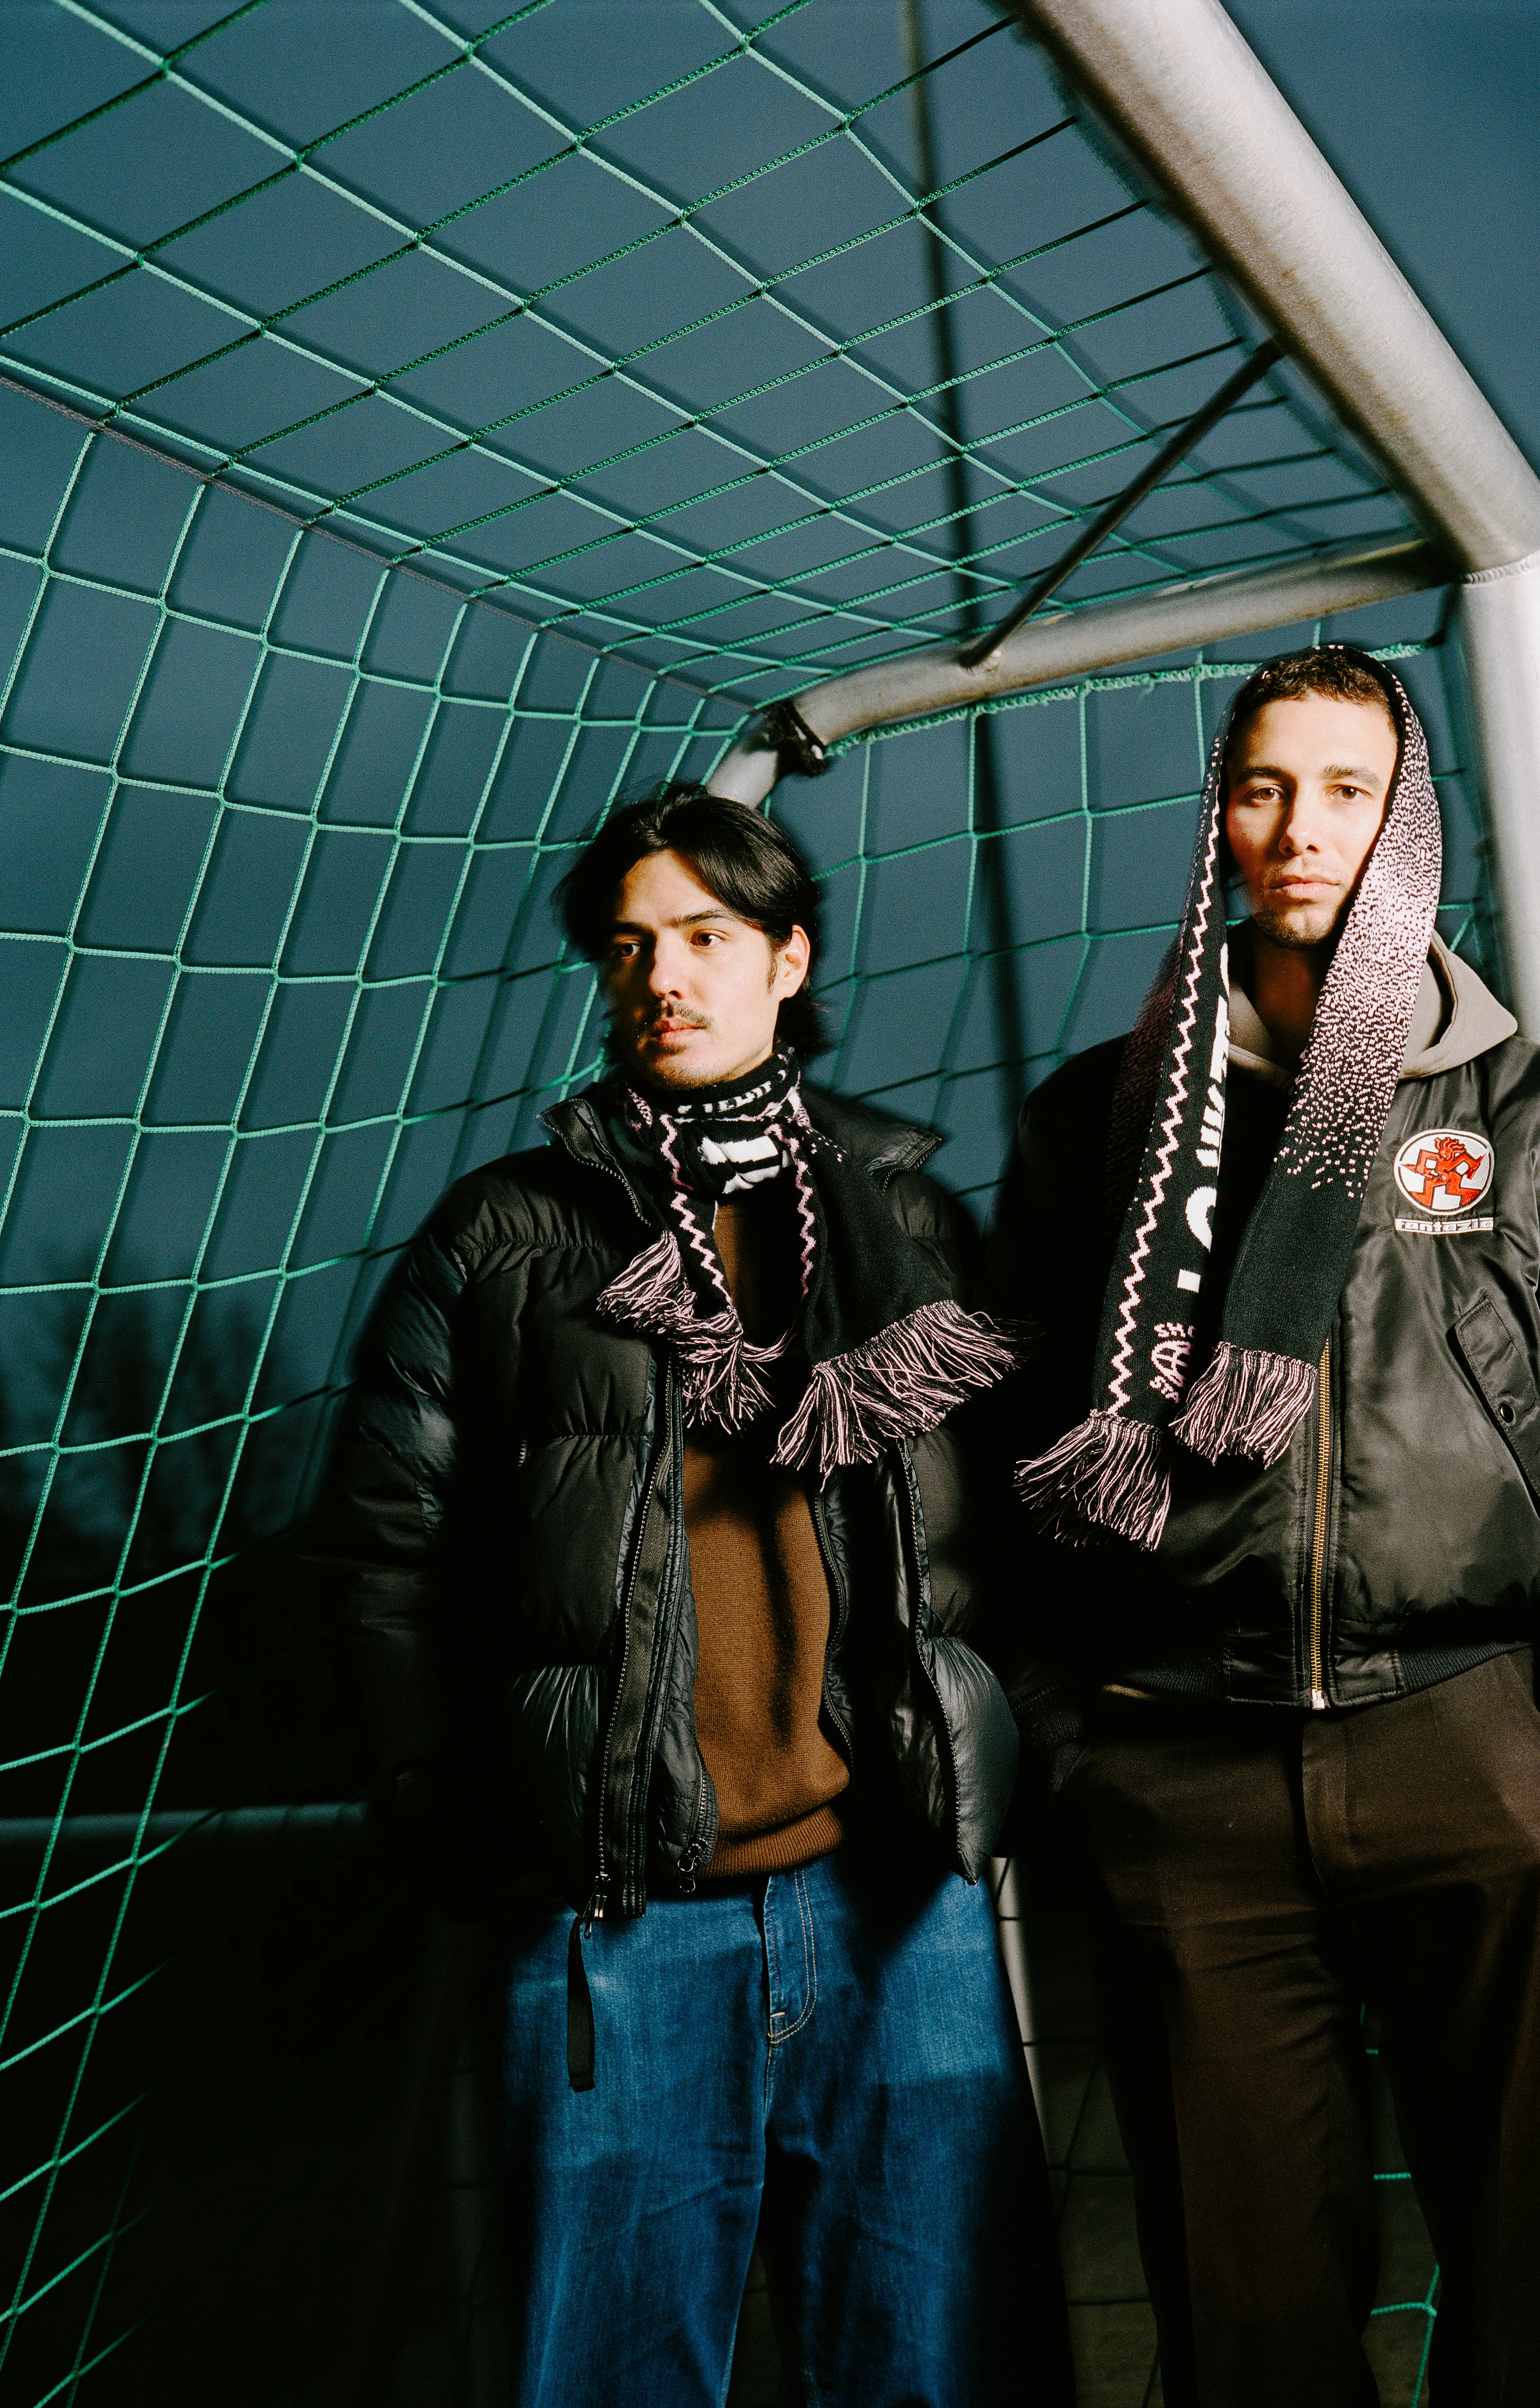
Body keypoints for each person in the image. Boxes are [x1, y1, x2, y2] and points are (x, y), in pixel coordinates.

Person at [990, 645, 1540, 2408]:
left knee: (1536, 2285)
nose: (1298, 826)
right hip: (1186, 1768)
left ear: (1412, 819)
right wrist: (1078, 1730)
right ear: (1218, 818)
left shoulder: (1538, 1115)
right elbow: (1012, 1436)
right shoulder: (1100, 1116)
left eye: (1344, 787)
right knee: (1242, 2321)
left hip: (1469, 1740)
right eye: (1261, 787)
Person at [311, 784, 1070, 2408]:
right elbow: (377, 1550)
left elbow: (1023, 1526)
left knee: (934, 2369)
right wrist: (440, 1802)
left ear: (788, 958)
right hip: (613, 1926)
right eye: (630, 943)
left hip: (894, 1908)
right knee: (604, 2378)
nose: (665, 972)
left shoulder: (911, 1222)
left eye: (709, 936)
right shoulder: (504, 1236)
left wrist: (1008, 1756)